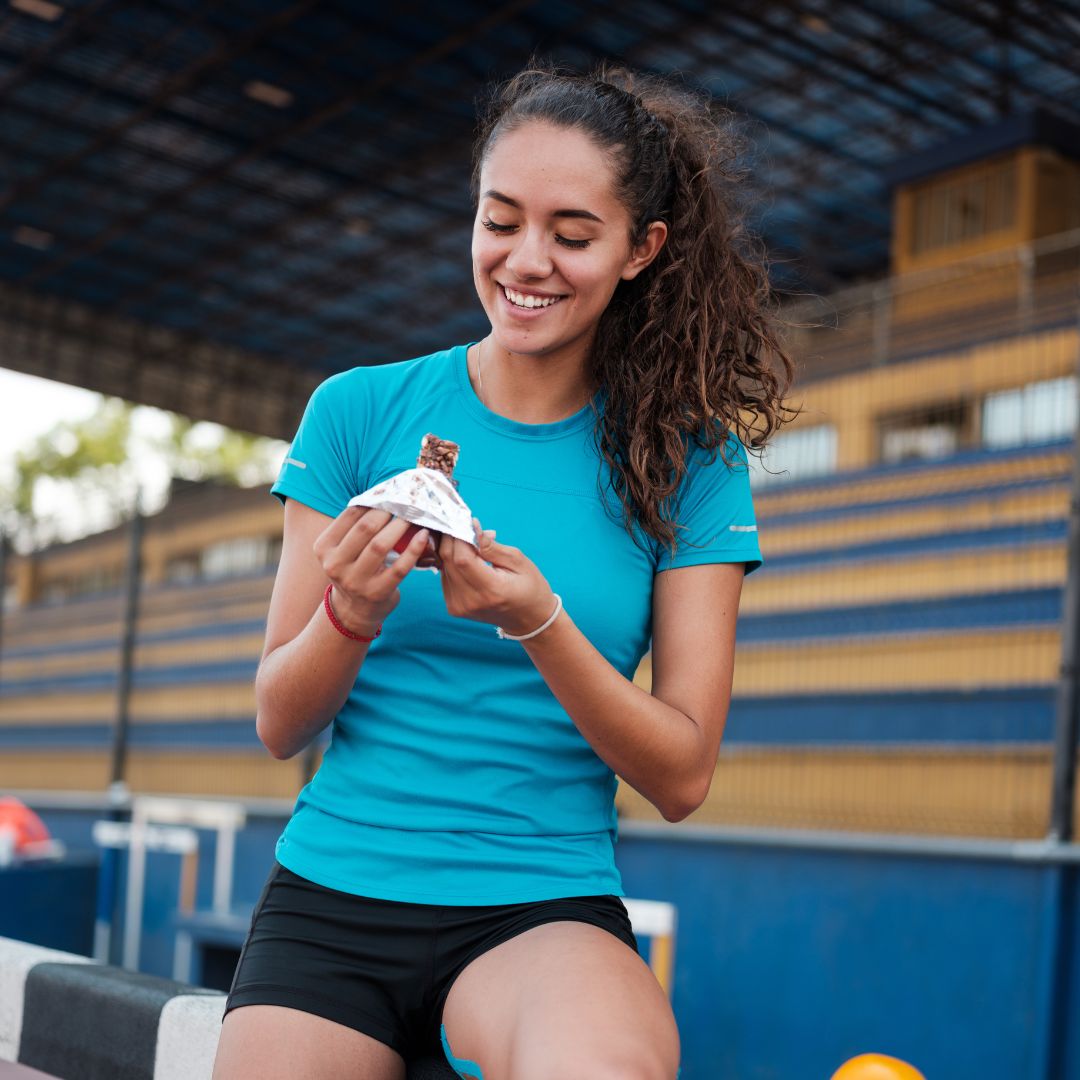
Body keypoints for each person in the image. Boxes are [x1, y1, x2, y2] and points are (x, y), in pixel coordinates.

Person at [213, 58, 796, 1080]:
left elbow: (682, 773)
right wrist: (349, 612)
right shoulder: (357, 411)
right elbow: (277, 722)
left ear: (641, 249)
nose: (527, 261)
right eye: (500, 221)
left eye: (573, 236)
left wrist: (539, 624)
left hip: (538, 910)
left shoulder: (691, 460)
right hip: (334, 897)